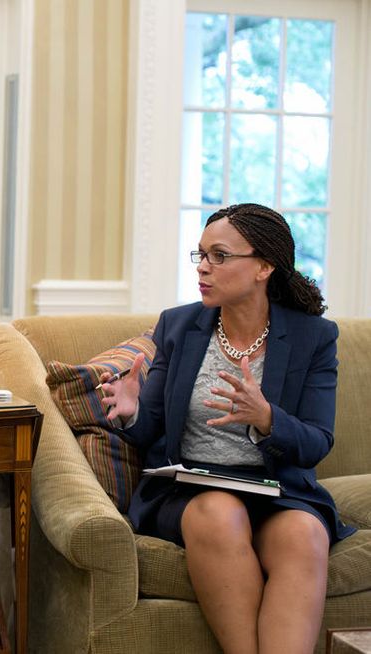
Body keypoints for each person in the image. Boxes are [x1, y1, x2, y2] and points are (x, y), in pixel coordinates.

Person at [99, 203, 355, 654]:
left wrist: (268, 419)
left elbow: (317, 442)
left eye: (219, 256)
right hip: (191, 490)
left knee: (305, 533)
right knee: (219, 511)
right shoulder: (178, 326)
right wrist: (133, 409)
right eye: (199, 255)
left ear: (264, 266)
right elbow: (150, 430)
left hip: (277, 490)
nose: (204, 268)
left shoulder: (314, 337)